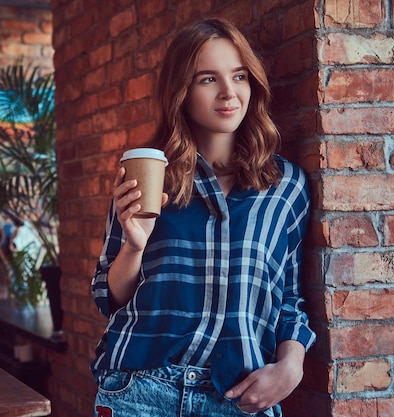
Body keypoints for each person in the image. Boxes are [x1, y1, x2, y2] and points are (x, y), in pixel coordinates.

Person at [91, 17, 316, 417]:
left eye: (239, 76)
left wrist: (291, 366)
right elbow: (109, 297)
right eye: (208, 79)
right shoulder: (148, 175)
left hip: (237, 398)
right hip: (140, 392)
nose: (229, 93)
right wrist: (133, 245)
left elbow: (289, 297)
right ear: (182, 91)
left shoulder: (286, 186)